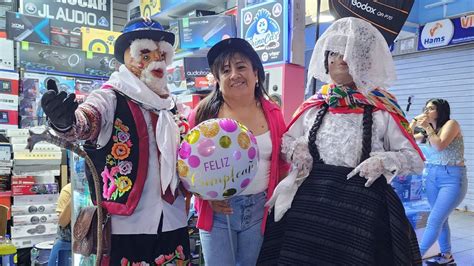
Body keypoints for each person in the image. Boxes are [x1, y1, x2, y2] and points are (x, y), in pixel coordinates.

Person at [258, 17, 425, 265]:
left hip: (362, 213)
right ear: (326, 61)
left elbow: (415, 159)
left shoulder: (382, 108)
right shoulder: (314, 105)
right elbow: (287, 140)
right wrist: (296, 148)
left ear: (366, 61)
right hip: (311, 210)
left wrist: (383, 161)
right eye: (335, 52)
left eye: (351, 51)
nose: (341, 58)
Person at [40, 17, 190, 265]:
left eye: (161, 54)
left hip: (172, 218)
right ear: (127, 57)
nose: (156, 61)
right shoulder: (110, 97)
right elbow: (86, 122)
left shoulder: (172, 107)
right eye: (145, 54)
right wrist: (65, 122)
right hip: (126, 223)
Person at [187, 38, 289, 265]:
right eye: (225, 70)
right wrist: (204, 196)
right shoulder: (203, 114)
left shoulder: (273, 113)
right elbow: (186, 163)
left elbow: (282, 162)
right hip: (218, 213)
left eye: (241, 67)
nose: (234, 74)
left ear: (256, 73)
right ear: (218, 79)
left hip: (260, 210)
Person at [410, 99, 467, 265]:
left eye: (431, 108)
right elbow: (407, 138)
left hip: (452, 178)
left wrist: (427, 127)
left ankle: (413, 259)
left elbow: (439, 146)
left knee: (434, 220)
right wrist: (414, 121)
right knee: (441, 220)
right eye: (426, 108)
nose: (427, 111)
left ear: (441, 111)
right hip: (431, 176)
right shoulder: (428, 132)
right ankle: (447, 256)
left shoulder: (451, 124)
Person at [48, 183, 72, 266]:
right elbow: (62, 222)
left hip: (90, 243)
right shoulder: (68, 190)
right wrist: (74, 197)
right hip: (67, 241)